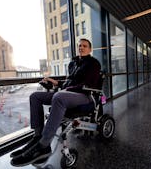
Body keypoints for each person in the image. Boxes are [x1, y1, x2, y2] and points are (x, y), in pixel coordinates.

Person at [10, 38, 101, 167]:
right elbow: (69, 82)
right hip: (67, 93)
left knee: (58, 97)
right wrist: (56, 83)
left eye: (84, 46)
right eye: (79, 45)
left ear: (90, 49)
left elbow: (88, 84)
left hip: (84, 95)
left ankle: (44, 145)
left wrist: (65, 89)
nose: (81, 47)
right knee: (35, 96)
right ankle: (37, 137)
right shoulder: (74, 64)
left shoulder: (94, 64)